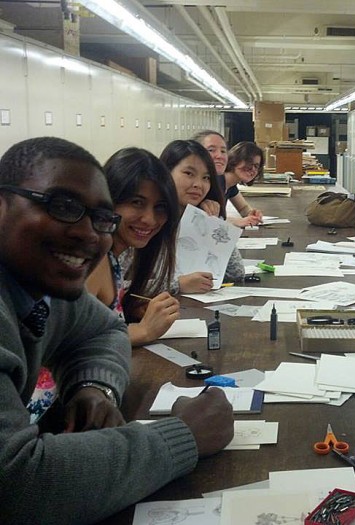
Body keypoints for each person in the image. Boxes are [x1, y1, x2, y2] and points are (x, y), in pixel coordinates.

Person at [0, 137, 233, 524]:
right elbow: (16, 485)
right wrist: (183, 436)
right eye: (63, 207)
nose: (89, 234)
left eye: (102, 218)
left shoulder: (39, 288)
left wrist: (93, 388)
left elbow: (103, 330)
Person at [86, 148, 181, 345]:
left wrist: (127, 306)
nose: (149, 219)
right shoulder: (92, 257)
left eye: (160, 207)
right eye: (137, 202)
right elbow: (63, 343)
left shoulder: (113, 254)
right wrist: (143, 331)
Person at [161, 140, 244, 292]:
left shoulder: (196, 219)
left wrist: (214, 222)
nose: (198, 184)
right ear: (166, 172)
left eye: (206, 178)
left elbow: (235, 272)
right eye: (189, 173)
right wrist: (178, 285)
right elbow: (122, 286)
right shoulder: (150, 221)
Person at [222, 141, 265, 228]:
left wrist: (251, 214)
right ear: (235, 159)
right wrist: (238, 221)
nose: (252, 169)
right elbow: (208, 218)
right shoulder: (217, 182)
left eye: (256, 166)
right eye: (249, 162)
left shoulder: (231, 185)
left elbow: (243, 208)